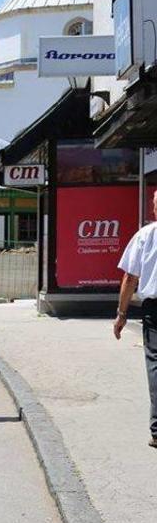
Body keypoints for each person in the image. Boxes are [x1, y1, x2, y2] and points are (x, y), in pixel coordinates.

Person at [116, 189, 157, 449]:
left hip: (154, 309)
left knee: (155, 364)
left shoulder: (145, 236)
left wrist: (121, 314)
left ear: (154, 209)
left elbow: (130, 278)